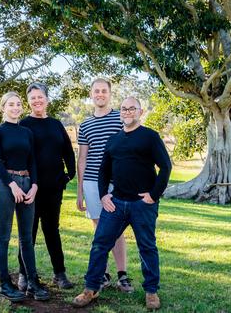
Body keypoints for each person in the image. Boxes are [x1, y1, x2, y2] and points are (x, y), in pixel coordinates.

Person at [73, 97, 172, 310]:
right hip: (115, 203)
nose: (127, 112)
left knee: (147, 246)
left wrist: (153, 195)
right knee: (100, 244)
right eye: (124, 109)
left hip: (141, 204)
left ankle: (151, 292)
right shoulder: (114, 140)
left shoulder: (150, 137)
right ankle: (91, 288)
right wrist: (103, 196)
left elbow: (165, 167)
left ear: (140, 111)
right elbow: (103, 171)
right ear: (121, 112)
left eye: (132, 109)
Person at [14, 82, 76, 290]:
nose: (37, 101)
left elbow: (68, 150)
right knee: (28, 232)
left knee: (52, 230)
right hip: (29, 189)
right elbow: (14, 151)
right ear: (28, 102)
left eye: (40, 97)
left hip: (53, 188)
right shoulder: (23, 125)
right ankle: (24, 275)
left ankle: (60, 274)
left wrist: (69, 175)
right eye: (33, 98)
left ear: (47, 99)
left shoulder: (56, 124)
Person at [0, 91, 49, 302]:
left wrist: (34, 186)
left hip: (26, 184)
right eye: (11, 104)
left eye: (18, 104)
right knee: (3, 237)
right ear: (3, 107)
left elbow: (32, 161)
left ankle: (32, 282)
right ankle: (5, 284)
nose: (15, 107)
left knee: (26, 238)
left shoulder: (26, 132)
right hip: (6, 185)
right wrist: (12, 184)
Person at [76, 78, 133, 292]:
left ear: (110, 93)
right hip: (91, 182)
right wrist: (80, 190)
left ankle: (122, 274)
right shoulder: (85, 124)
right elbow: (82, 158)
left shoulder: (120, 119)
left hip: (116, 184)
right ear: (91, 94)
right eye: (96, 91)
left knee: (116, 230)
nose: (100, 94)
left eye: (104, 91)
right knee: (100, 230)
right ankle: (103, 273)